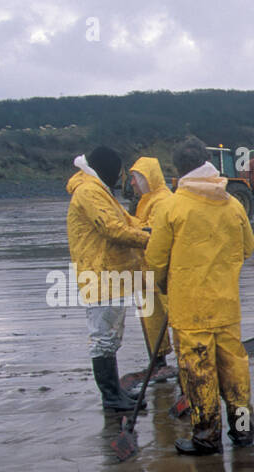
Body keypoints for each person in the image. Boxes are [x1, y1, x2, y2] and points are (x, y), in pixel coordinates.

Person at [145, 137, 254, 455]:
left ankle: (207, 436)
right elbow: (248, 247)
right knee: (234, 366)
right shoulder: (233, 205)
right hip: (226, 304)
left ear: (178, 169)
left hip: (189, 306)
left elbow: (154, 260)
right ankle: (243, 431)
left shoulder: (171, 207)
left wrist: (165, 283)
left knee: (198, 371)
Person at [66, 145, 150, 413]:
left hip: (109, 274)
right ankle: (111, 398)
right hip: (99, 275)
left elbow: (125, 221)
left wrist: (147, 227)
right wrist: (151, 238)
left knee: (110, 339)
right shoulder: (89, 192)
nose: (121, 177)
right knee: (103, 339)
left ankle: (114, 394)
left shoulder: (98, 189)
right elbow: (113, 229)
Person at [128, 157, 175, 381]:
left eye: (136, 178)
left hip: (162, 271)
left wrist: (127, 224)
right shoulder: (146, 201)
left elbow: (155, 234)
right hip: (146, 271)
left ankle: (193, 356)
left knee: (173, 315)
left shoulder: (163, 200)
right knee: (152, 318)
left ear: (149, 178)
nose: (132, 183)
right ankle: (158, 362)